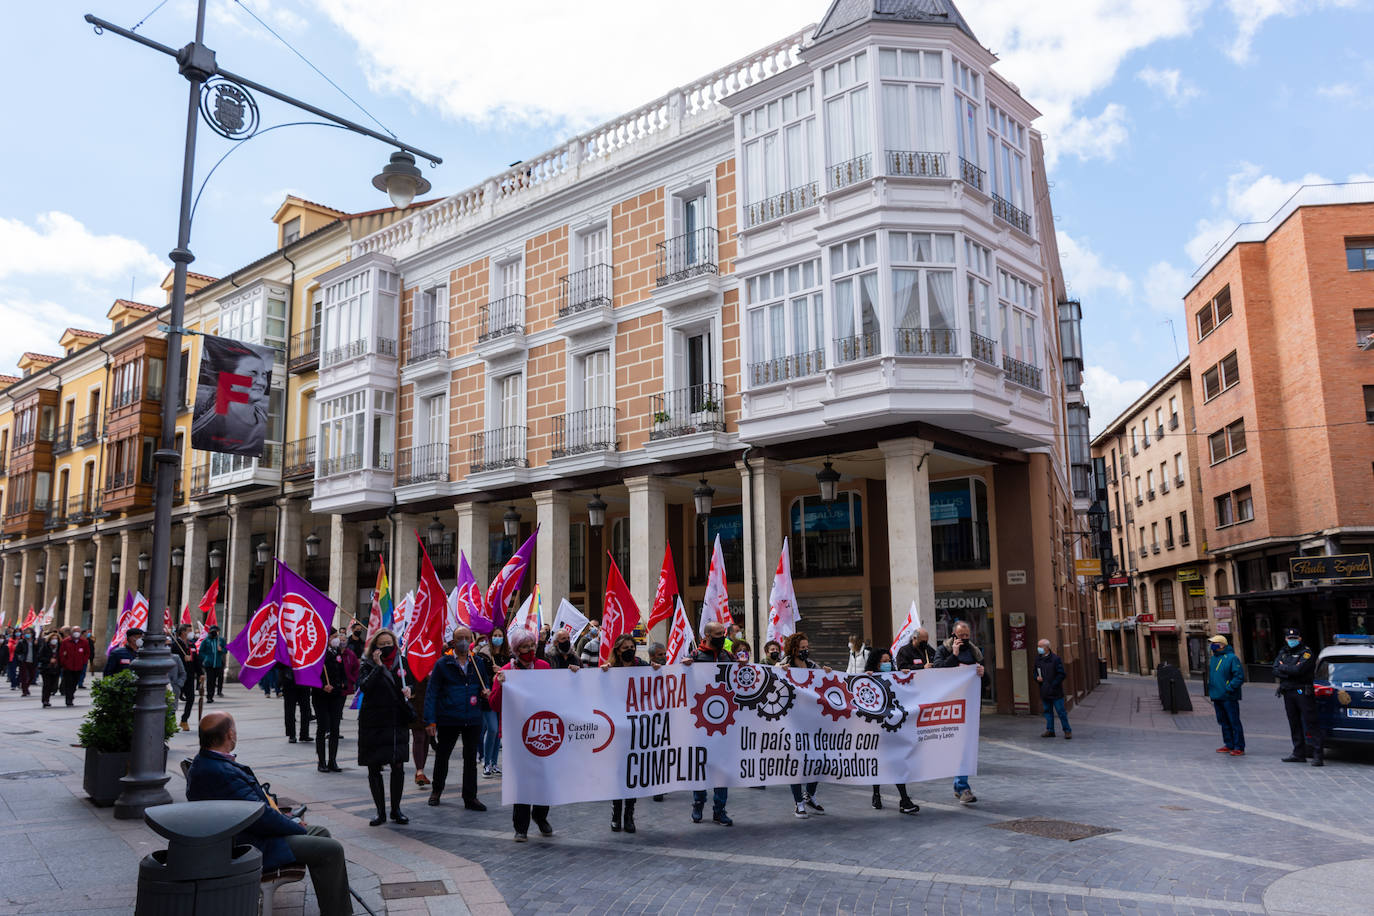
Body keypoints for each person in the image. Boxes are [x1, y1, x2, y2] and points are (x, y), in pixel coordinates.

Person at [187, 712, 352, 916]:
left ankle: (333, 907)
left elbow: (257, 810)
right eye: (235, 730)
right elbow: (260, 816)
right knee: (332, 850)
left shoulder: (208, 761)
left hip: (246, 834)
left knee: (322, 833)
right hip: (249, 844)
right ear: (229, 734)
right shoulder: (220, 771)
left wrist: (291, 820)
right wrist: (294, 824)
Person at [490, 628, 554, 842]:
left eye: (532, 646)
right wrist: (499, 685)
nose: (530, 650)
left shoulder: (544, 667)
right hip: (517, 734)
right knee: (521, 780)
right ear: (517, 650)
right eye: (525, 647)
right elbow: (494, 704)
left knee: (545, 778)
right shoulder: (507, 671)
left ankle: (540, 815)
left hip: (543, 730)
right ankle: (521, 826)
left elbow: (559, 692)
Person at [423, 627, 492, 811]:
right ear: (453, 641)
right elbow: (432, 693)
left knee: (471, 759)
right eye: (460, 638)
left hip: (472, 718)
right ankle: (437, 790)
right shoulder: (443, 664)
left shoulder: (477, 662)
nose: (463, 641)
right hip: (449, 717)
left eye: (467, 638)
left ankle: (470, 797)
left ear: (471, 640)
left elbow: (485, 684)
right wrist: (430, 720)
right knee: (442, 756)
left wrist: (486, 692)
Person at [356, 629, 413, 826]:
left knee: (398, 765)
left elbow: (411, 682)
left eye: (389, 642)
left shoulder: (401, 661)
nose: (386, 647)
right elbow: (364, 686)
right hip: (374, 722)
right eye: (381, 644)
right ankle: (380, 811)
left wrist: (409, 690)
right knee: (374, 766)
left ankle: (396, 809)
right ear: (374, 648)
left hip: (397, 721)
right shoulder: (367, 664)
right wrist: (378, 667)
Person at [685, 620, 735, 826]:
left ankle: (719, 809)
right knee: (700, 764)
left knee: (722, 766)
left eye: (723, 633)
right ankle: (698, 802)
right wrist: (683, 668)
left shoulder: (727, 656)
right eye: (717, 634)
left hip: (723, 722)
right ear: (706, 636)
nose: (722, 637)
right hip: (699, 722)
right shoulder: (695, 658)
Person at [603, 633, 654, 833]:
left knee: (632, 771)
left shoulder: (642, 667)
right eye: (625, 648)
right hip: (616, 729)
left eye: (632, 647)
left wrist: (657, 669)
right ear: (617, 650)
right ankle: (616, 813)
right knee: (618, 773)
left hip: (636, 728)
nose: (629, 650)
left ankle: (629, 815)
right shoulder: (609, 669)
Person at [936, 620, 986, 803]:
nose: (964, 639)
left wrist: (982, 672)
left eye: (967, 636)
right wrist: (954, 655)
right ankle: (961, 786)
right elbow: (937, 672)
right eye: (961, 636)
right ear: (953, 634)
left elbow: (985, 682)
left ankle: (962, 787)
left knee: (965, 748)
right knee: (957, 748)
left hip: (970, 707)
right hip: (950, 707)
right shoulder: (944, 650)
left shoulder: (974, 651)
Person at [864, 648, 920, 815]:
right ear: (876, 663)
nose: (887, 664)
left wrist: (904, 676)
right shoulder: (868, 678)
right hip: (876, 729)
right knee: (878, 762)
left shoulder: (895, 677)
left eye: (889, 661)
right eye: (883, 661)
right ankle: (876, 794)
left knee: (896, 762)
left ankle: (904, 799)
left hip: (892, 729)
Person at [782, 631, 828, 818]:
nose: (805, 651)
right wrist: (780, 669)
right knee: (796, 762)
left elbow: (824, 683)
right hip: (793, 721)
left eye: (807, 648)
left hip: (812, 720)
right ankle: (798, 802)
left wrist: (828, 674)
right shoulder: (785, 665)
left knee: (818, 759)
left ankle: (810, 794)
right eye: (802, 648)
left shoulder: (812, 666)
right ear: (793, 649)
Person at [191, 346, 271, 455]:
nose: (262, 382)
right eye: (252, 374)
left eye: (264, 375)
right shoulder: (206, 429)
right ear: (230, 379)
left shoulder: (265, 418)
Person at [1273, 627, 1320, 765]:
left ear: (1299, 639)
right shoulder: (1283, 652)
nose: (1291, 641)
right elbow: (1275, 669)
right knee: (1294, 723)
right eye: (1289, 638)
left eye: (1294, 638)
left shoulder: (1306, 653)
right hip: (1288, 691)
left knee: (1310, 722)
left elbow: (1299, 670)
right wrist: (1289, 670)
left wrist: (1284, 668)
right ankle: (1298, 753)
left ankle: (1318, 754)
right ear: (1286, 639)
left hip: (1301, 691)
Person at [313, 629, 356, 773]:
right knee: (322, 727)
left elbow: (343, 671)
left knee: (335, 728)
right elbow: (311, 675)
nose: (337, 639)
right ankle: (321, 761)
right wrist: (322, 686)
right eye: (334, 636)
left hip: (337, 695)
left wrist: (344, 683)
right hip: (321, 696)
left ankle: (332, 760)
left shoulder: (337, 652)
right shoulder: (318, 654)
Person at [1207, 634, 1245, 757]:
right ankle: (1229, 744)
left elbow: (1239, 676)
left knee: (1233, 721)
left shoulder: (1232, 658)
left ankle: (1239, 746)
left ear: (1222, 645)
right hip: (1217, 695)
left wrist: (1229, 688)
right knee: (1223, 721)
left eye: (1215, 643)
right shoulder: (1214, 659)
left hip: (1228, 696)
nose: (1212, 646)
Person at [480, 627, 509, 776]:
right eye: (495, 635)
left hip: (502, 698)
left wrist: (503, 670)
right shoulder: (484, 656)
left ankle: (494, 763)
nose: (498, 638)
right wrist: (486, 689)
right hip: (488, 698)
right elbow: (480, 676)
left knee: (499, 732)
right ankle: (486, 762)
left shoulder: (507, 656)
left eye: (500, 635)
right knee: (492, 729)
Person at [1034, 638, 1071, 739]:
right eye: (1038, 646)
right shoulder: (1038, 659)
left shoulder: (1055, 659)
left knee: (1061, 712)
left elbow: (1062, 674)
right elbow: (1035, 672)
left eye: (1040, 646)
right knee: (1047, 711)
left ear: (1047, 648)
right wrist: (1037, 678)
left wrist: (1053, 684)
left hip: (1055, 691)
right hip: (1044, 690)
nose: (1038, 648)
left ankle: (1067, 730)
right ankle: (1050, 730)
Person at [171, 624, 197, 731]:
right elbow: (171, 659)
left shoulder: (192, 645)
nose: (191, 632)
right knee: (173, 699)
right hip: (178, 676)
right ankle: (171, 721)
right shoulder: (175, 645)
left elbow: (196, 660)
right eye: (189, 630)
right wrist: (183, 658)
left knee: (191, 698)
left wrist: (200, 673)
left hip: (190, 676)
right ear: (182, 632)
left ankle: (184, 720)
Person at [281, 663, 313, 744]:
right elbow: (278, 665)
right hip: (289, 683)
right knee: (290, 711)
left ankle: (304, 734)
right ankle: (291, 735)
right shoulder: (284, 651)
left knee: (306, 710)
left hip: (304, 683)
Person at [58, 627, 90, 706]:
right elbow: (61, 653)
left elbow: (87, 653)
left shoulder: (84, 642)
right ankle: (69, 699)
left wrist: (83, 662)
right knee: (68, 683)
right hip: (68, 667)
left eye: (78, 631)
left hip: (79, 666)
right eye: (75, 631)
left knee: (74, 683)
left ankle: (71, 694)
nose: (77, 633)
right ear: (71, 632)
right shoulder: (66, 642)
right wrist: (64, 663)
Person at [197, 625, 227, 700]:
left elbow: (226, 650)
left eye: (216, 631)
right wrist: (206, 658)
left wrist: (221, 650)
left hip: (218, 663)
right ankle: (209, 696)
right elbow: (201, 651)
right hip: (209, 664)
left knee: (216, 679)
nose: (214, 633)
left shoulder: (220, 640)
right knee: (210, 680)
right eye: (213, 631)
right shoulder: (206, 640)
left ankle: (217, 691)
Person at [37, 631, 61, 707]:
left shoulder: (60, 647)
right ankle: (45, 700)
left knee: (53, 685)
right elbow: (40, 657)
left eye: (56, 638)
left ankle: (48, 697)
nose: (54, 640)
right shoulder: (45, 646)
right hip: (46, 668)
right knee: (46, 685)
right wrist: (49, 660)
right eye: (53, 638)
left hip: (56, 668)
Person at [14, 628, 39, 696]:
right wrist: (20, 657)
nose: (28, 634)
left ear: (32, 633)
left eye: (29, 633)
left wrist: (36, 645)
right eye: (26, 633)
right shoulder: (22, 642)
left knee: (32, 676)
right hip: (24, 661)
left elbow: (39, 651)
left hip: (33, 661)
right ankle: (24, 690)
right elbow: (17, 651)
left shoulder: (35, 641)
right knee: (24, 676)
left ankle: (26, 687)